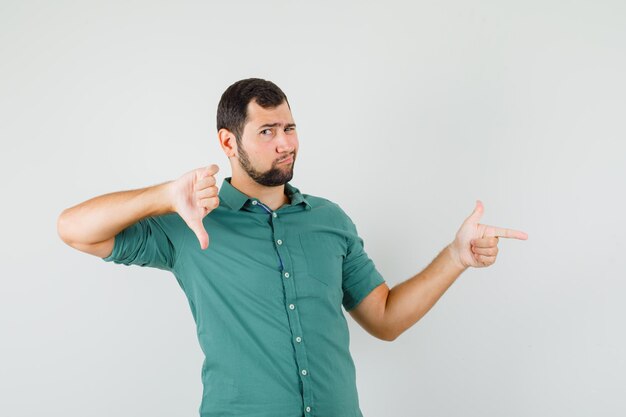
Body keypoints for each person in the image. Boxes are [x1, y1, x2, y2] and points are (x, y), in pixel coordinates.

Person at [57, 78, 528, 417]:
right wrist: (162, 196)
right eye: (267, 132)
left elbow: (385, 319)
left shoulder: (330, 221)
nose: (286, 144)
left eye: (290, 128)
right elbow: (74, 228)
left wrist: (456, 256)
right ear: (228, 141)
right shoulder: (188, 223)